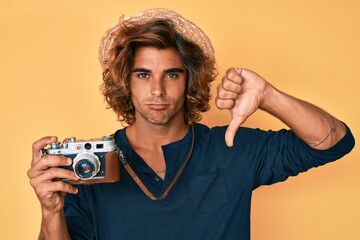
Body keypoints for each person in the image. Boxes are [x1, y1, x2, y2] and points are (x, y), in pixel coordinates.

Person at [27, 8, 355, 240]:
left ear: (189, 80)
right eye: (143, 74)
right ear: (126, 83)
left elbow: (335, 141)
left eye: (172, 74)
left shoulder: (232, 148)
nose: (157, 90)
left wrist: (268, 95)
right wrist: (51, 211)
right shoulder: (91, 166)